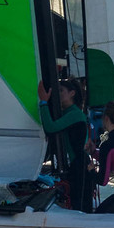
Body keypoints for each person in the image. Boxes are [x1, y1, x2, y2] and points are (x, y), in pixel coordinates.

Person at [37, 78, 93, 211]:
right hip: (78, 164)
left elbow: (51, 127)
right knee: (77, 203)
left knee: (80, 205)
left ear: (72, 93)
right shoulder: (69, 113)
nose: (58, 93)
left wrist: (43, 102)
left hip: (80, 165)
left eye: (61, 90)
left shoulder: (74, 114)